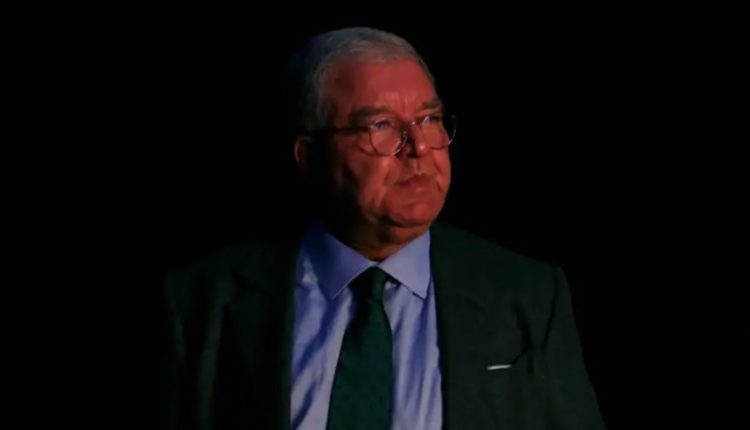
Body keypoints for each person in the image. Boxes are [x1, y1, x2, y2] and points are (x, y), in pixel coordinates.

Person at [160, 27, 606, 430]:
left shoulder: (527, 296)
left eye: (429, 119)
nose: (419, 148)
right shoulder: (200, 301)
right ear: (309, 156)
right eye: (381, 126)